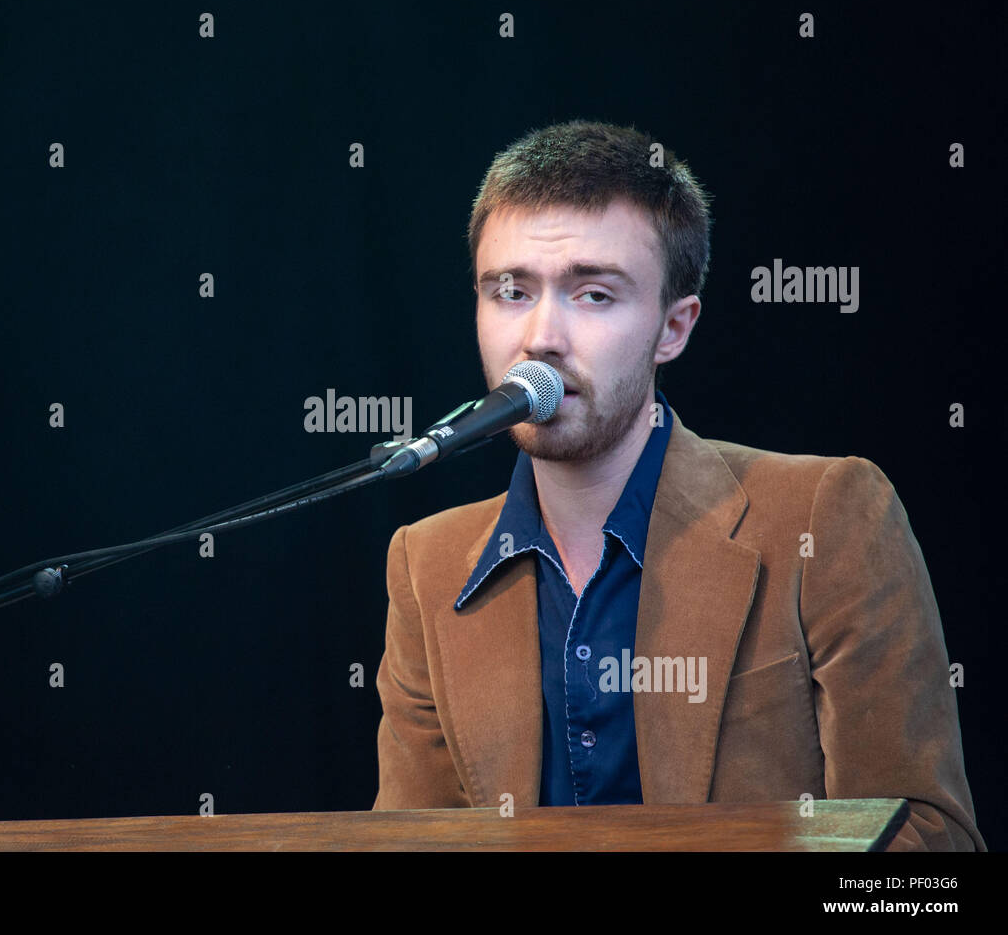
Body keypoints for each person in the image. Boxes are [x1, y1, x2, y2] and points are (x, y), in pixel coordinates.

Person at [371, 120, 984, 851]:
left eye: (593, 295)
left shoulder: (829, 513)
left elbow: (929, 848)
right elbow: (407, 845)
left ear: (674, 327)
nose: (540, 337)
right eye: (509, 291)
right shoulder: (425, 564)